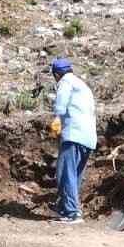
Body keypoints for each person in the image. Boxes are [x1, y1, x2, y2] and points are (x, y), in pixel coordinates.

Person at [50, 58, 97, 225]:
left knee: (65, 173)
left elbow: (61, 102)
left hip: (74, 134)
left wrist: (56, 117)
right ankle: (67, 209)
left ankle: (71, 213)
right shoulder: (82, 85)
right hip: (89, 137)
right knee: (74, 175)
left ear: (57, 74)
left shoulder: (65, 82)